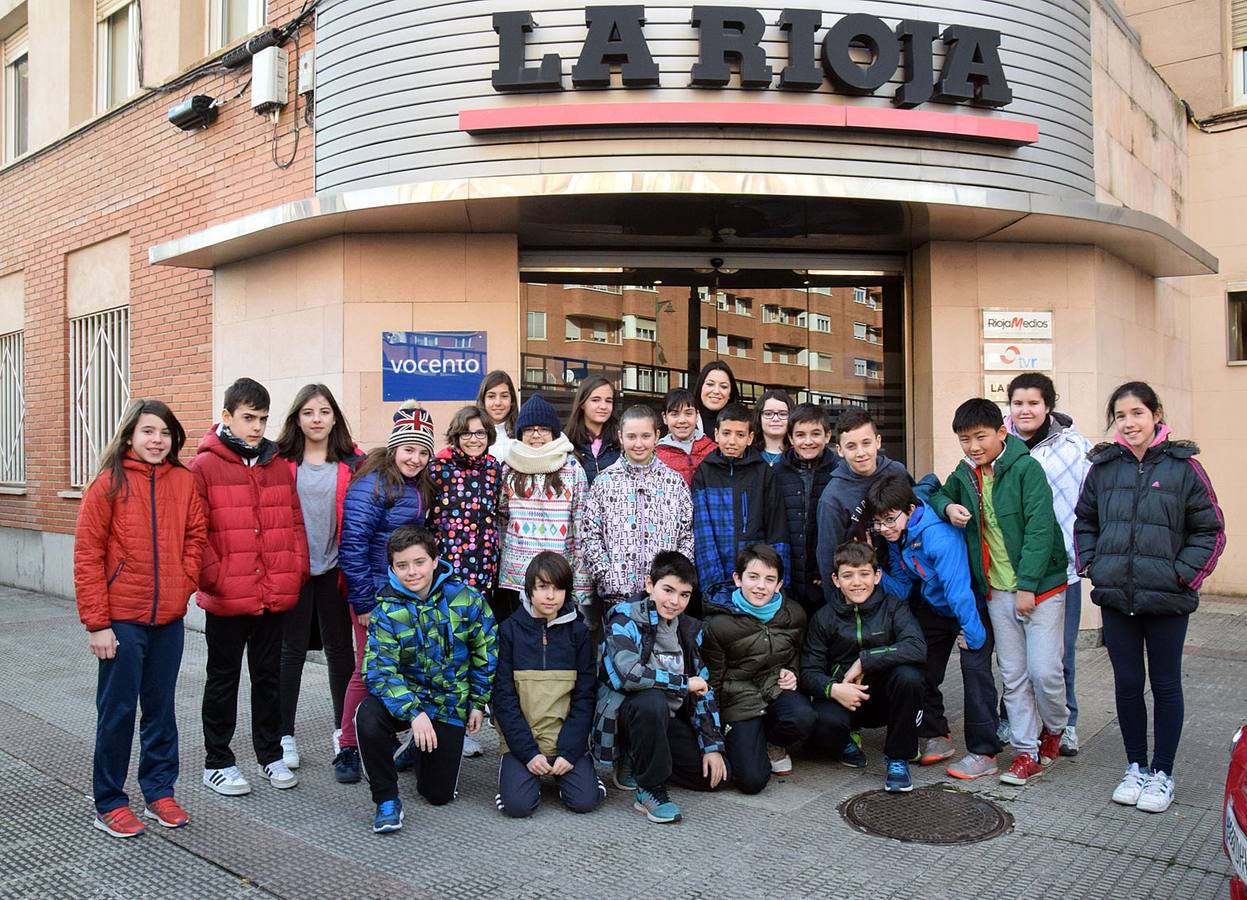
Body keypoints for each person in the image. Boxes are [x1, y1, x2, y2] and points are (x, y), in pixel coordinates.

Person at [1075, 381, 1225, 814]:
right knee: (1126, 685)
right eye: (1121, 416)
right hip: (1118, 597)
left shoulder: (1183, 467)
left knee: (1164, 684)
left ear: (1156, 414)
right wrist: (1093, 564)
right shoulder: (1103, 467)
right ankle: (1135, 767)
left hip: (1167, 599)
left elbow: (1210, 528)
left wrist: (1183, 576)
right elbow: (1085, 520)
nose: (1129, 422)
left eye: (1137, 413)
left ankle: (1163, 774)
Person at [75, 400, 207, 838]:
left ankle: (159, 791)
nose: (157, 440)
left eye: (165, 433)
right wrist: (97, 623)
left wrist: (184, 579)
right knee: (116, 712)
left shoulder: (184, 482)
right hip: (122, 620)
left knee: (161, 710)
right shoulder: (108, 484)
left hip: (167, 618)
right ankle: (110, 801)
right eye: (148, 431)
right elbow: (88, 556)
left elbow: (195, 536)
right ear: (130, 435)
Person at [929, 398, 1069, 787]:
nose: (973, 446)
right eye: (964, 439)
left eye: (980, 437)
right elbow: (936, 493)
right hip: (996, 591)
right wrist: (948, 509)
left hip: (1040, 587)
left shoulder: (1027, 470)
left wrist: (1027, 587)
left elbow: (1041, 531)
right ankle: (1026, 752)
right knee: (1014, 674)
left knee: (1044, 672)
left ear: (1001, 433)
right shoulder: (965, 474)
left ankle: (1055, 727)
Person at [190, 378, 309, 797]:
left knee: (268, 677)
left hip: (273, 592)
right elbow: (195, 531)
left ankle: (270, 755)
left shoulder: (275, 464)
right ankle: (217, 761)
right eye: (248, 419)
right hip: (227, 596)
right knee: (222, 679)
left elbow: (294, 523)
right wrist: (215, 576)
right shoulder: (204, 466)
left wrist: (294, 570)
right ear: (226, 417)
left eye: (261, 419)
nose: (257, 427)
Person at [354, 526, 498, 833]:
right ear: (392, 568)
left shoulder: (466, 599)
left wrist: (478, 702)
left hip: (448, 702)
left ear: (435, 560)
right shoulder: (387, 610)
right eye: (402, 565)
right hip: (409, 701)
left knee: (438, 795)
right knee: (367, 715)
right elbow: (378, 670)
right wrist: (413, 712)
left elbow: (486, 652)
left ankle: (414, 751)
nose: (412, 572)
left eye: (419, 562)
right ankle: (387, 800)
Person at [866, 474, 1001, 780]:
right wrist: (874, 568)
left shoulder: (938, 535)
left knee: (976, 673)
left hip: (970, 608)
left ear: (910, 509)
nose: (884, 528)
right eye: (878, 522)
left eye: (890, 520)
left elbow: (958, 589)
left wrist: (975, 633)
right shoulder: (899, 537)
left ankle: (985, 751)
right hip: (936, 608)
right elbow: (901, 588)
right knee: (919, 663)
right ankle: (936, 734)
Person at [336, 402, 435, 783]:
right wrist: (362, 601)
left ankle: (408, 740)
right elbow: (354, 544)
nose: (416, 458)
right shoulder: (373, 483)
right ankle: (347, 745)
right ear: (395, 448)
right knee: (367, 670)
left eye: (423, 451)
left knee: (408, 669)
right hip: (375, 596)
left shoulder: (416, 486)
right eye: (409, 449)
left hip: (406, 595)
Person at [592, 551, 728, 825]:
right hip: (630, 714)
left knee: (715, 778)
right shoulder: (624, 619)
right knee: (651, 699)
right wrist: (683, 683)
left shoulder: (688, 629)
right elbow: (627, 676)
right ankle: (650, 789)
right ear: (649, 584)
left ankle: (644, 760)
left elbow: (702, 687)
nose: (675, 601)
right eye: (668, 590)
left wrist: (712, 746)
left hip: (670, 719)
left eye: (684, 594)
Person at [275, 384, 364, 772]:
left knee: (340, 652)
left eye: (324, 412)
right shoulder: (278, 461)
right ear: (297, 417)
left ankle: (341, 730)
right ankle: (284, 736)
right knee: (289, 653)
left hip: (334, 569)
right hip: (293, 570)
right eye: (309, 412)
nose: (316, 419)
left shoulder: (352, 461)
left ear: (334, 418)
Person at [1003, 372, 1092, 757]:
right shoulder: (996, 445)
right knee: (1013, 658)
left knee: (1058, 655)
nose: (1025, 410)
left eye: (1033, 403)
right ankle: (1012, 718)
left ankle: (1065, 722)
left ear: (1048, 406)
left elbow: (1092, 503)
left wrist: (1086, 552)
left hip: (1061, 570)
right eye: (1018, 403)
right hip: (1008, 572)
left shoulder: (1074, 447)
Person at [800, 542, 927, 793]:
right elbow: (808, 671)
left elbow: (917, 647)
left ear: (877, 576)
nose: (857, 582)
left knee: (910, 678)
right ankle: (846, 742)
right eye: (848, 575)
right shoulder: (824, 617)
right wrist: (833, 689)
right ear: (836, 580)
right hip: (844, 698)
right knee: (819, 720)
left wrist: (865, 660)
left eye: (864, 574)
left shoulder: (894, 607)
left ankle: (898, 758)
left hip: (882, 697)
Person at [493, 552, 605, 818]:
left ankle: (577, 772)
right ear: (529, 588)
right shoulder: (509, 631)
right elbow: (503, 698)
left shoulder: (578, 633)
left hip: (565, 740)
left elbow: (585, 696)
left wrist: (569, 751)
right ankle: (518, 772)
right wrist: (528, 753)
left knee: (585, 802)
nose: (551, 595)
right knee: (517, 807)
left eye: (558, 588)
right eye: (543, 587)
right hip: (524, 742)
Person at [701, 544, 815, 792]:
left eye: (769, 579)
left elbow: (796, 651)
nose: (761, 586)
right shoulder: (717, 624)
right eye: (753, 577)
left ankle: (772, 742)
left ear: (779, 584)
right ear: (737, 579)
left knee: (804, 717)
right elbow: (713, 681)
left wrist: (792, 672)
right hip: (738, 700)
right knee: (751, 781)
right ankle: (745, 740)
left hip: (774, 689)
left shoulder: (793, 613)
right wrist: (713, 737)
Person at [579, 405, 694, 637]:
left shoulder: (674, 482)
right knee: (621, 660)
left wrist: (675, 581)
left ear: (657, 436)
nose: (638, 444)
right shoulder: (604, 481)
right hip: (617, 596)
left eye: (645, 436)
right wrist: (606, 574)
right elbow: (589, 533)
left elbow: (687, 534)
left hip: (663, 598)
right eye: (631, 436)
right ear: (620, 437)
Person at [497, 394, 593, 620]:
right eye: (529, 429)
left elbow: (581, 525)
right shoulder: (509, 468)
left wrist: (580, 583)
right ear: (520, 433)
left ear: (554, 432)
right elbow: (501, 517)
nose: (536, 435)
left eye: (543, 429)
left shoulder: (571, 468)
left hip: (558, 574)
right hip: (518, 576)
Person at [691, 403, 790, 603]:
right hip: (716, 576)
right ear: (716, 434)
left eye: (740, 434)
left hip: (755, 580)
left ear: (750, 438)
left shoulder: (763, 473)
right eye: (726, 433)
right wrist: (713, 585)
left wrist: (777, 581)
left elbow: (776, 528)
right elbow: (703, 533)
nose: (732, 441)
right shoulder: (704, 472)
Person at [814, 407, 909, 604]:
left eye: (866, 443)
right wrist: (837, 607)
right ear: (839, 450)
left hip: (905, 576)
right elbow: (827, 556)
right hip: (860, 589)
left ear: (878, 441)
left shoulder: (897, 472)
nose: (861, 453)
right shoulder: (833, 497)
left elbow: (916, 514)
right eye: (851, 446)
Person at [775, 403, 838, 615]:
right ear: (791, 439)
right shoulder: (775, 473)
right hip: (787, 579)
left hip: (826, 578)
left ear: (827, 436)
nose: (808, 441)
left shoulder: (840, 472)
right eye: (800, 435)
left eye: (816, 434)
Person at [655, 387, 717, 486]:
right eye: (675, 414)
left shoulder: (713, 450)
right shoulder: (656, 456)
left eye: (688, 413)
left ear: (697, 416)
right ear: (665, 418)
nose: (682, 420)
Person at [567, 376, 620, 485]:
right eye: (595, 400)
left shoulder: (621, 442)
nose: (603, 406)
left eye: (608, 401)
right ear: (582, 403)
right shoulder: (567, 444)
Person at [478, 369, 519, 461]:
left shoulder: (523, 432)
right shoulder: (472, 434)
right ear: (483, 400)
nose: (497, 403)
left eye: (504, 396)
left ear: (512, 400)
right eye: (491, 396)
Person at [692, 360, 740, 436]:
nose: (716, 391)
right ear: (700, 387)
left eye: (723, 386)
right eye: (710, 384)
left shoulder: (741, 425)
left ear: (730, 393)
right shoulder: (685, 421)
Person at [752, 388, 793, 466]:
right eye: (768, 414)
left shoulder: (798, 455)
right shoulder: (747, 453)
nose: (775, 419)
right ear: (758, 417)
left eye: (783, 414)